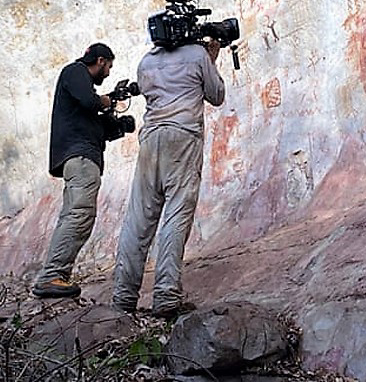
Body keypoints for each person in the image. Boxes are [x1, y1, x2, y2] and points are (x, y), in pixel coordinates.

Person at [111, 37, 225, 316]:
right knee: (176, 215)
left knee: (138, 218)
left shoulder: (146, 62)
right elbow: (216, 95)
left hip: (151, 139)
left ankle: (123, 298)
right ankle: (166, 297)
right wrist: (211, 59)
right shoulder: (198, 54)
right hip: (183, 137)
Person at [31, 42, 116, 298]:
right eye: (109, 66)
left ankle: (56, 275)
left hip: (80, 156)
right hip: (80, 158)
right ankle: (51, 276)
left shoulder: (80, 93)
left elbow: (91, 116)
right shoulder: (75, 71)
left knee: (74, 215)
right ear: (100, 61)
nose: (109, 73)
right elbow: (89, 101)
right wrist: (105, 100)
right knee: (79, 214)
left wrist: (116, 124)